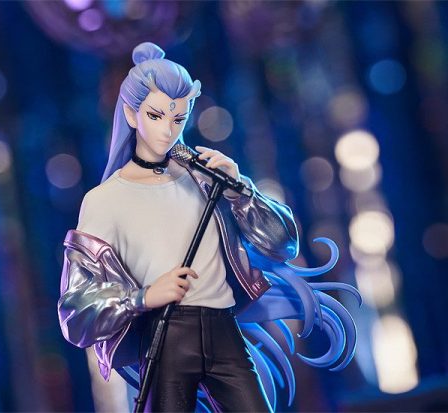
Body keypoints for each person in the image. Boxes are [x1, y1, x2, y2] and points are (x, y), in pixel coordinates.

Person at [58, 42, 359, 412]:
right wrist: (143, 297)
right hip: (164, 334)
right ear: (131, 114)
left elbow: (283, 245)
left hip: (223, 330)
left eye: (178, 119)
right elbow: (75, 312)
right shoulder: (105, 200)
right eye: (155, 116)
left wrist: (241, 192)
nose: (167, 131)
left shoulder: (206, 178)